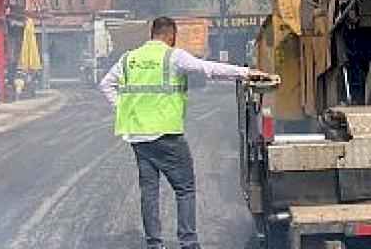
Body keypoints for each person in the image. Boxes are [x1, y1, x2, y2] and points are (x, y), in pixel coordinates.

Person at [99, 16, 274, 249]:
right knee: (185, 188)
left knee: (149, 191)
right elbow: (208, 68)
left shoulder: (129, 59)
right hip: (167, 136)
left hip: (138, 136)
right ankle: (188, 242)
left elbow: (105, 84)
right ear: (170, 35)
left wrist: (124, 110)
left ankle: (154, 244)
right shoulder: (173, 56)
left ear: (152, 33)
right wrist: (246, 73)